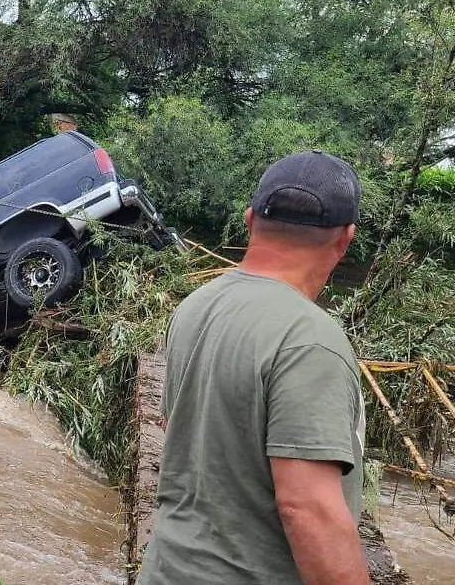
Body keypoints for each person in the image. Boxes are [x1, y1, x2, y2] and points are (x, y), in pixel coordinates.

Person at [139, 150, 367, 585]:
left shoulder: (195, 305)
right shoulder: (311, 341)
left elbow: (180, 433)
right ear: (345, 239)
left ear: (249, 221)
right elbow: (308, 509)